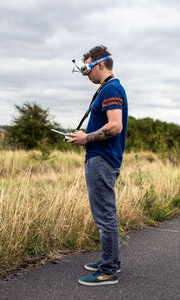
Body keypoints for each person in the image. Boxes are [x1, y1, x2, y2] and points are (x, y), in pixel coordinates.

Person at [67, 45, 128, 286]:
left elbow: (115, 126)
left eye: (87, 69)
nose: (86, 74)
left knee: (105, 218)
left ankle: (109, 270)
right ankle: (109, 260)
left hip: (101, 160)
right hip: (100, 159)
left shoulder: (111, 88)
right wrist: (85, 133)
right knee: (105, 215)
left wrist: (86, 138)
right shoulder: (109, 88)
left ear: (100, 64)